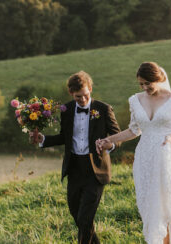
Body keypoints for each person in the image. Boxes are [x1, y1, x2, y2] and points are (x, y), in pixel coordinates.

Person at [96, 62, 171, 244]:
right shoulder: (135, 100)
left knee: (169, 202)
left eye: (148, 83)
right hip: (145, 157)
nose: (145, 87)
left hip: (167, 155)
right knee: (150, 204)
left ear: (159, 79)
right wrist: (110, 140)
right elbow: (133, 130)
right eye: (141, 84)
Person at [31, 71, 121, 244]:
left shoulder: (103, 109)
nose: (83, 100)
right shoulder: (67, 110)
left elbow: (117, 136)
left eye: (86, 95)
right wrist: (43, 139)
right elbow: (63, 137)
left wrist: (110, 144)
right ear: (71, 94)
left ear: (91, 89)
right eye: (78, 97)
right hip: (74, 169)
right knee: (77, 216)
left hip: (96, 170)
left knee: (85, 218)